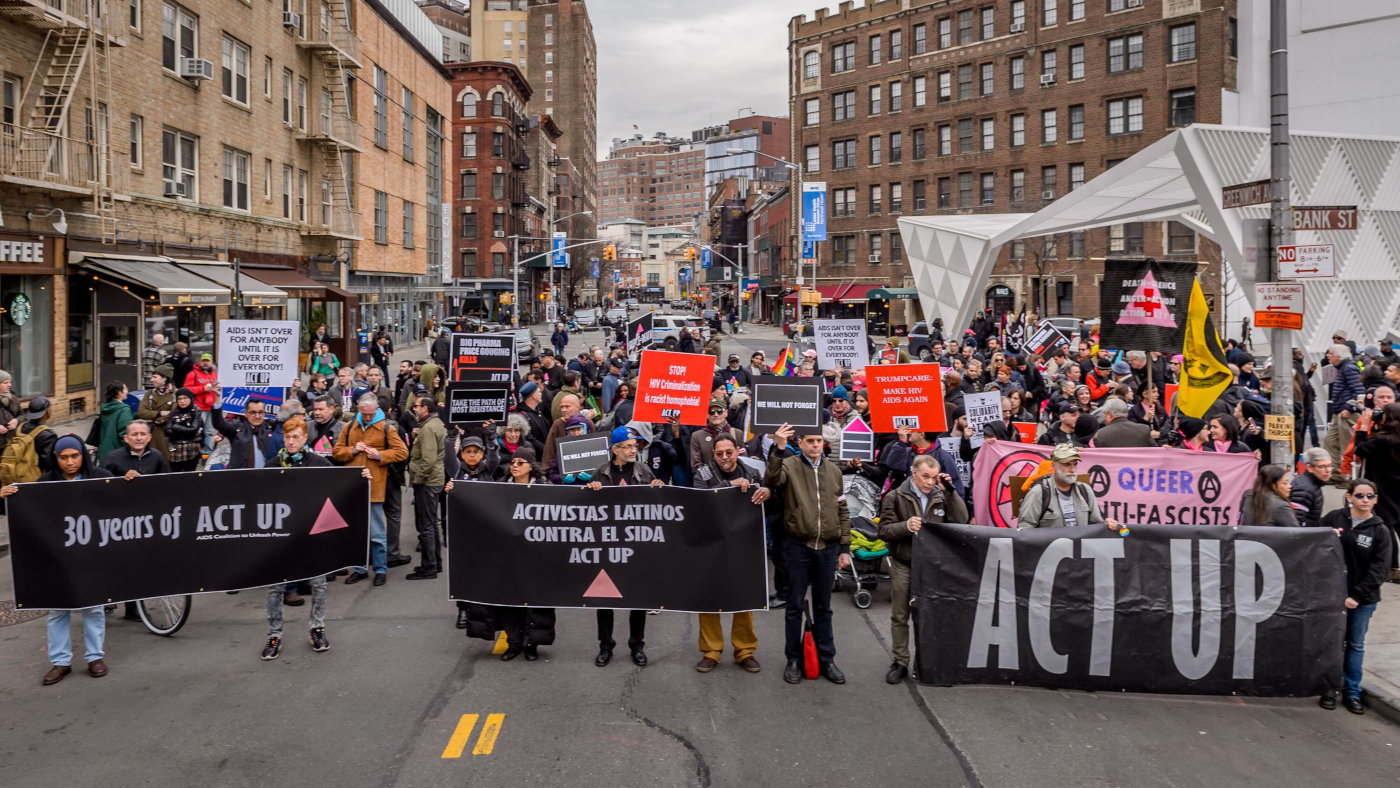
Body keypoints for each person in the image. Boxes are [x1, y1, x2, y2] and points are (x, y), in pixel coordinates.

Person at [2, 435, 114, 685]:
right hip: (60, 558)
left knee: (93, 608)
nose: (70, 462)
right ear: (56, 458)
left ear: (83, 456)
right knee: (57, 609)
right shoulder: (46, 482)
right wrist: (8, 496)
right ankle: (60, 662)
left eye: (75, 456)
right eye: (63, 457)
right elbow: (29, 511)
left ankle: (95, 657)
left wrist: (131, 481)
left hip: (92, 555)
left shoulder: (100, 476)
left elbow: (124, 503)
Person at [260, 417, 356, 660]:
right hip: (281, 536)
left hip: (313, 534)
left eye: (296, 438)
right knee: (276, 586)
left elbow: (339, 487)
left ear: (305, 439)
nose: (291, 442)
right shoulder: (272, 465)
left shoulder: (319, 463)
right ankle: (274, 634)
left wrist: (360, 477)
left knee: (319, 583)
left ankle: (317, 628)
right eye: (287, 437)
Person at [764, 422, 852, 685]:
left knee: (824, 607)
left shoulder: (834, 471)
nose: (815, 445)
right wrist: (779, 448)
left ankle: (827, 659)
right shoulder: (789, 465)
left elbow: (842, 510)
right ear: (800, 443)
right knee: (794, 605)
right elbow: (771, 480)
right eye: (810, 441)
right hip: (797, 547)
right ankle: (793, 658)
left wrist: (845, 548)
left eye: (819, 441)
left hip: (827, 548)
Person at [878, 453, 968, 684]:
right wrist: (905, 526)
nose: (929, 482)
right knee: (900, 615)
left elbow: (961, 519)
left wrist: (950, 491)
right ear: (914, 472)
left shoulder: (940, 495)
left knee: (929, 616)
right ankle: (900, 662)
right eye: (925, 476)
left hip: (931, 566)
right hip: (903, 563)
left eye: (933, 477)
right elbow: (884, 531)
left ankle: (924, 662)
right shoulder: (895, 496)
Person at [462, 445, 555, 660]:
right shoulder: (500, 487)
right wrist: (454, 490)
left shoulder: (545, 488)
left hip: (535, 557)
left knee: (534, 602)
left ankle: (531, 644)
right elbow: (480, 506)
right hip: (508, 557)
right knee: (510, 602)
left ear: (530, 467)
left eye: (520, 463)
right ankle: (513, 643)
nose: (514, 466)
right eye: (512, 463)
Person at [583, 426, 665, 667]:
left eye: (635, 445)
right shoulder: (601, 472)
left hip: (636, 545)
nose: (633, 450)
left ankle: (637, 646)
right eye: (628, 446)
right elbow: (586, 510)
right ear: (615, 449)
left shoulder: (645, 471)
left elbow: (657, 508)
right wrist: (592, 490)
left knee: (637, 598)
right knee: (604, 599)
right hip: (608, 545)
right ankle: (605, 646)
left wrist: (658, 489)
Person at [690, 433, 770, 674]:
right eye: (719, 453)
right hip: (710, 543)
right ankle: (711, 651)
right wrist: (728, 486)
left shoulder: (753, 474)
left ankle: (745, 651)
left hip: (743, 545)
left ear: (737, 451)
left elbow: (766, 505)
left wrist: (767, 493)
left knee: (743, 597)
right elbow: (699, 503)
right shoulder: (703, 474)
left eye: (729, 452)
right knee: (709, 598)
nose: (725, 458)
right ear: (713, 454)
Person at [1318, 479, 1393, 714]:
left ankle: (1352, 692)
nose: (1365, 501)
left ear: (1376, 500)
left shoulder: (1380, 530)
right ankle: (1329, 689)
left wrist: (1357, 597)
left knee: (1355, 645)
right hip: (1333, 597)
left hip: (1361, 601)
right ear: (1349, 497)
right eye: (1360, 495)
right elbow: (1313, 544)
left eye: (1370, 496)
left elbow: (1379, 570)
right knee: (1332, 644)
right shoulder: (1334, 519)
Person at [332, 393, 410, 586]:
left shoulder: (385, 428)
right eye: (364, 414)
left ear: (377, 411)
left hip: (374, 487)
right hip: (353, 489)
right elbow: (336, 452)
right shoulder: (350, 427)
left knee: (376, 533)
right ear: (358, 409)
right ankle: (360, 569)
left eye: (370, 414)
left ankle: (380, 569)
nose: (367, 417)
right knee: (357, 532)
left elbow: (402, 452)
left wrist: (378, 455)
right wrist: (352, 450)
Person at [1018, 443, 1120, 530]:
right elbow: (1025, 529)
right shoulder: (1039, 492)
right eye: (1067, 464)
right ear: (1054, 466)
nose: (1072, 469)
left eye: (1075, 464)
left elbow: (1095, 524)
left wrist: (1105, 524)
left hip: (1080, 550)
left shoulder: (1085, 490)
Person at [1353, 402, 1400, 574]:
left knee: (1387, 526)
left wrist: (1364, 426)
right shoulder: (1390, 437)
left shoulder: (1382, 440)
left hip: (1383, 488)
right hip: (1396, 487)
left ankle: (1393, 566)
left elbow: (1360, 449)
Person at [406, 396, 447, 580]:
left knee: (426, 526)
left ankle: (429, 567)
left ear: (425, 409)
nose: (414, 409)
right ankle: (434, 563)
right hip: (434, 479)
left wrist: (419, 479)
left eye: (417, 406)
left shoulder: (429, 428)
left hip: (428, 482)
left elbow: (428, 460)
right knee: (431, 524)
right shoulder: (433, 424)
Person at [1324, 343, 1365, 474]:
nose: (1328, 356)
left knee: (1347, 446)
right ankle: (1337, 473)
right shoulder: (1343, 368)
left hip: (1346, 413)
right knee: (1330, 442)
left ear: (1338, 356)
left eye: (1330, 353)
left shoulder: (1349, 368)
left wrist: (1349, 408)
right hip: (1339, 413)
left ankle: (1348, 476)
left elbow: (1359, 391)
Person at [209, 398, 283, 470]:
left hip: (267, 477)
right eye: (253, 412)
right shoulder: (237, 429)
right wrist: (217, 398)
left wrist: (293, 394)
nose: (257, 416)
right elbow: (219, 423)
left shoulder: (271, 427)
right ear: (246, 413)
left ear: (264, 413)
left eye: (260, 412)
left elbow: (289, 423)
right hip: (240, 478)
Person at [99, 419, 168, 478]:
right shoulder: (111, 458)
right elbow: (101, 485)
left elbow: (165, 481)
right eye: (134, 434)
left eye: (143, 434)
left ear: (149, 437)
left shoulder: (157, 456)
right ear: (126, 438)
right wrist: (123, 479)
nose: (139, 438)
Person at [183, 353, 221, 453]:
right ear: (200, 361)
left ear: (211, 362)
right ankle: (195, 452)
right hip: (198, 407)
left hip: (211, 407)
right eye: (203, 360)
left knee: (209, 432)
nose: (205, 363)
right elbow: (186, 390)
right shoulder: (192, 374)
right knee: (197, 431)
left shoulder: (214, 374)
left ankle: (207, 452)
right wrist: (202, 388)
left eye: (207, 361)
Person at [137, 365, 177, 459]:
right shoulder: (150, 394)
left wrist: (153, 419)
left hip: (166, 437)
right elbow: (141, 412)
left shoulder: (175, 394)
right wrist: (159, 413)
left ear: (164, 378)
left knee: (165, 464)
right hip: (149, 436)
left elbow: (172, 414)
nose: (151, 380)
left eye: (155, 377)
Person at [689, 401, 742, 472]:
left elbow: (743, 459)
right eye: (711, 412)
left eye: (719, 411)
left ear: (726, 413)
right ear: (707, 414)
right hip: (709, 481)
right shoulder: (697, 436)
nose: (716, 414)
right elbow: (696, 465)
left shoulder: (737, 433)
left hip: (734, 478)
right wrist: (713, 479)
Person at [1290, 447, 1333, 528]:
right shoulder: (1304, 490)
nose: (1328, 470)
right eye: (1322, 466)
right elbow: (1296, 523)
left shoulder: (1314, 483)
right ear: (1310, 468)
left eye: (1330, 465)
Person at [94, 381, 132, 458]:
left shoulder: (105, 407)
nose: (127, 391)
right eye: (125, 389)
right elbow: (125, 432)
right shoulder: (124, 410)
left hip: (103, 450)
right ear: (119, 393)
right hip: (118, 452)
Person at [0, 369, 22, 455]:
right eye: (5, 383)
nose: (10, 385)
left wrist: (16, 420)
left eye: (9, 382)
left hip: (12, 442)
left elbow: (22, 414)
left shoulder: (13, 398)